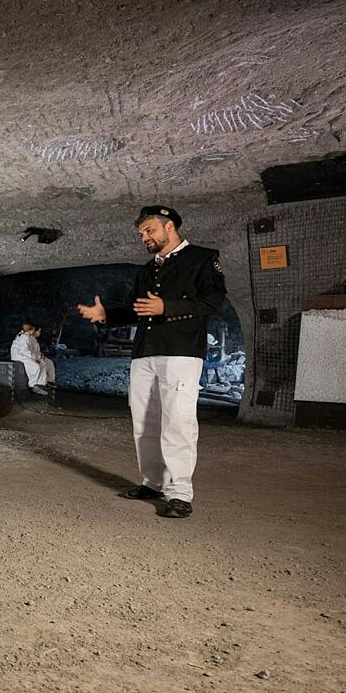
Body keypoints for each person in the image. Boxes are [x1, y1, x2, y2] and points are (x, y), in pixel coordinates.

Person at [77, 205, 227, 519]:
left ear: (169, 226)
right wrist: (106, 316)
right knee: (144, 422)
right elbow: (137, 309)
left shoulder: (202, 258)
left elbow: (213, 301)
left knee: (177, 422)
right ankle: (152, 481)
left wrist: (167, 307)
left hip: (180, 351)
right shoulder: (146, 269)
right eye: (141, 233)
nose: (144, 237)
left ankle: (179, 493)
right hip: (144, 351)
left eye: (149, 230)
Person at [10, 323, 56, 395]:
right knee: (36, 366)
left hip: (28, 355)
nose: (39, 333)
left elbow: (35, 351)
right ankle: (33, 385)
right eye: (38, 331)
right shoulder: (24, 337)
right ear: (31, 330)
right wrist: (36, 358)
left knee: (46, 363)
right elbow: (25, 351)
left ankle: (44, 383)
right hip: (20, 356)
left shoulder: (31, 338)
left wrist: (40, 356)